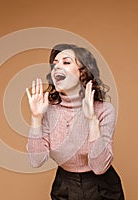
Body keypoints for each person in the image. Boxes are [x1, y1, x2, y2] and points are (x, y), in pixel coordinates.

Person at [26, 44, 124, 200]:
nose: (57, 67)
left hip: (103, 188)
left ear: (83, 73)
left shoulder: (104, 110)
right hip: (64, 187)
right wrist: (36, 118)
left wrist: (91, 119)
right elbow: (36, 161)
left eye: (66, 62)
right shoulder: (48, 110)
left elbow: (99, 167)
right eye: (55, 64)